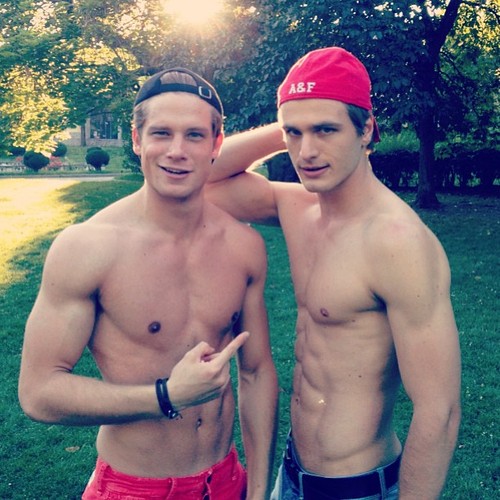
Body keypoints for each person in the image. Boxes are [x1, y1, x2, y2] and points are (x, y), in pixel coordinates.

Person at [206, 47, 461, 499]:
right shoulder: (296, 208)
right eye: (294, 133)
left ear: (366, 130)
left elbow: (439, 411)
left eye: (326, 129)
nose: (306, 152)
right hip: (292, 476)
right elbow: (204, 179)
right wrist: (296, 113)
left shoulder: (397, 242)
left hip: (356, 487)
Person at [18, 67, 278, 500]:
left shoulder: (243, 246)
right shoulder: (87, 248)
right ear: (137, 140)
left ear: (216, 145)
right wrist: (167, 396)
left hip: (227, 480)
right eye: (161, 133)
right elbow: (39, 391)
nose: (177, 151)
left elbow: (256, 371)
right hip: (135, 487)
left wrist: (259, 488)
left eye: (194, 135)